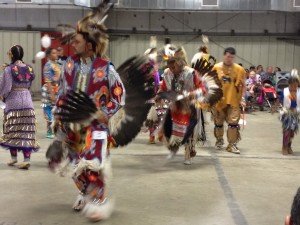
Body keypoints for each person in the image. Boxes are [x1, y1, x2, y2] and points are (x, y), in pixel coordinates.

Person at [0, 45, 39, 169]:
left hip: (13, 102)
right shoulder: (29, 68)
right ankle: (26, 159)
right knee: (26, 130)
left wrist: (2, 96)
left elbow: (6, 87)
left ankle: (14, 158)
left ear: (12, 55)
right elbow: (29, 84)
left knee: (13, 130)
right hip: (27, 101)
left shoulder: (8, 69)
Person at [212, 47, 246, 154]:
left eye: (232, 57)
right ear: (224, 55)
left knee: (233, 124)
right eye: (228, 56)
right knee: (218, 123)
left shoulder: (239, 69)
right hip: (219, 101)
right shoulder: (216, 68)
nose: (229, 59)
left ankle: (232, 145)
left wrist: (243, 98)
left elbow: (243, 85)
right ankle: (219, 140)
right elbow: (209, 83)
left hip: (234, 100)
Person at [41, 48, 61, 138]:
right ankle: (49, 131)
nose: (56, 54)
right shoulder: (48, 65)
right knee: (48, 109)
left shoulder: (57, 64)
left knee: (56, 110)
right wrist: (51, 93)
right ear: (49, 55)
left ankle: (55, 129)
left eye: (56, 52)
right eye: (54, 53)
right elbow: (48, 81)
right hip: (49, 89)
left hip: (57, 89)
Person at [280, 69, 300, 155]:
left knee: (292, 132)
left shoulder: (299, 92)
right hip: (286, 113)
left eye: (296, 85)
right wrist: (275, 107)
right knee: (286, 130)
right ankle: (284, 147)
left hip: (296, 114)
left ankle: (289, 145)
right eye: (292, 85)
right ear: (289, 83)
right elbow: (280, 101)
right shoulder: (285, 91)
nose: (294, 87)